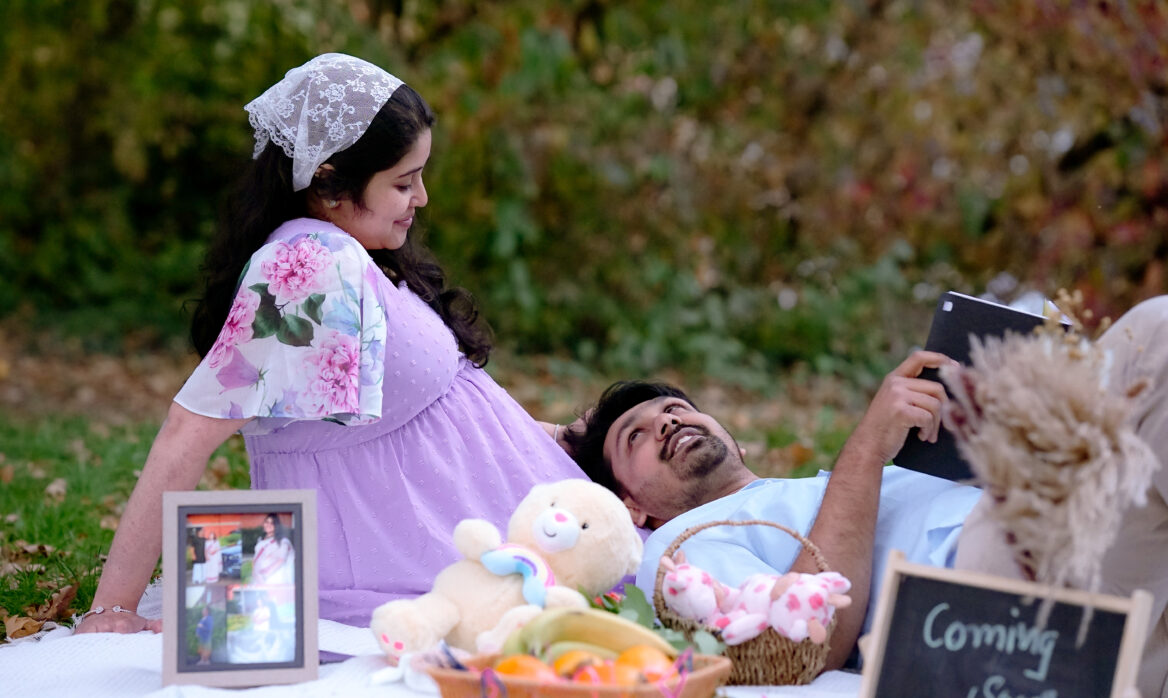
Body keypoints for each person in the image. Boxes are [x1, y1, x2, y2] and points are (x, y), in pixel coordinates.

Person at [75, 53, 584, 635]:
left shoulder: (351, 252)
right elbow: (187, 431)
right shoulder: (310, 263)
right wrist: (112, 609)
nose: (422, 198)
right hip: (404, 567)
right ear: (329, 181)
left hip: (503, 539)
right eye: (402, 181)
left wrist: (559, 440)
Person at [567, 296, 1168, 696]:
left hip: (1103, 568)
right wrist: (865, 449)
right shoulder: (676, 548)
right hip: (1005, 606)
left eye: (675, 409)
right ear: (632, 506)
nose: (667, 424)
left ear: (739, 444)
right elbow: (801, 648)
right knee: (1154, 336)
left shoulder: (810, 493)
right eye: (635, 437)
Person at [252, 514, 294, 586]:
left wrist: (264, 575)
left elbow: (281, 560)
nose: (268, 525)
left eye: (272, 523)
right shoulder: (260, 541)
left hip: (274, 581)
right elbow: (256, 559)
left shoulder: (282, 542)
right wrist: (256, 575)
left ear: (276, 526)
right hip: (258, 580)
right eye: (267, 522)